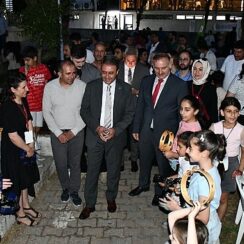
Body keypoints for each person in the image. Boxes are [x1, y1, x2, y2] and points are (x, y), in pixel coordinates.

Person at [128, 53, 188, 206]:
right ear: (152, 67)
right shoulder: (146, 81)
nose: (160, 72)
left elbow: (182, 114)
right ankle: (143, 184)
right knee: (145, 158)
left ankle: (160, 192)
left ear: (170, 66)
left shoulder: (179, 84)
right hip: (146, 129)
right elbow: (140, 106)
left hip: (167, 133)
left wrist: (178, 137)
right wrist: (136, 127)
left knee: (163, 164)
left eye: (164, 68)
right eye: (157, 68)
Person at [79, 56, 134, 219]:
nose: (107, 76)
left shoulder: (126, 89)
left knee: (113, 171)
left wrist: (115, 130)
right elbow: (84, 111)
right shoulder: (91, 86)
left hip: (115, 138)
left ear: (117, 72)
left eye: (111, 73)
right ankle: (89, 204)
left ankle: (111, 198)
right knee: (92, 172)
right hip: (95, 136)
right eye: (104, 73)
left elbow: (130, 113)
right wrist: (97, 128)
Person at [161, 130, 224, 243]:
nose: (187, 151)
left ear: (204, 153)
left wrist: (177, 209)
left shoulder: (205, 181)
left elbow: (203, 219)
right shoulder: (205, 169)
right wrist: (184, 191)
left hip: (201, 229)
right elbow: (197, 192)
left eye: (190, 148)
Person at [42, 60, 86, 206]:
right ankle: (65, 188)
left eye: (74, 73)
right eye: (68, 73)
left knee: (75, 163)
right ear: (59, 73)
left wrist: (73, 132)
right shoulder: (50, 87)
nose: (72, 76)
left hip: (77, 132)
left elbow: (86, 112)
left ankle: (74, 190)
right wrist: (57, 132)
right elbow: (46, 112)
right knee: (61, 163)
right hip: (57, 132)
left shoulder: (82, 87)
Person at [1, 73, 40, 226]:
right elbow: (12, 136)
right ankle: (20, 214)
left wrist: (31, 144)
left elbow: (29, 121)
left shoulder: (22, 101)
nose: (27, 89)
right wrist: (27, 149)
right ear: (13, 90)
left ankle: (26, 205)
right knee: (17, 180)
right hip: (12, 150)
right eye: (24, 87)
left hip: (24, 147)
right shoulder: (7, 107)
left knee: (25, 178)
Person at [209, 97, 244, 221]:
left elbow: (243, 151)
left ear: (239, 113)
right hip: (214, 161)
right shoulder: (215, 127)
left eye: (235, 111)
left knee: (223, 197)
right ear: (222, 112)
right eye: (229, 111)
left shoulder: (241, 130)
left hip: (231, 163)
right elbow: (207, 147)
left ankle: (217, 223)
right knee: (210, 194)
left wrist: (240, 169)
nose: (232, 114)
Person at [118, 47, 149, 172]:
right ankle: (119, 161)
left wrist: (137, 92)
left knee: (135, 135)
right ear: (124, 58)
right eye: (128, 61)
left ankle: (134, 159)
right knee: (119, 135)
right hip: (120, 107)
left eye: (133, 61)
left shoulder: (144, 70)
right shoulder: (117, 68)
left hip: (136, 107)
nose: (130, 64)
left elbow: (148, 90)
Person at [19, 46, 52, 160]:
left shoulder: (44, 68)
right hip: (29, 105)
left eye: (28, 59)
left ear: (35, 58)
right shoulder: (23, 70)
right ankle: (31, 149)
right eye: (24, 60)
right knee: (29, 128)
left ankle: (34, 144)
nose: (26, 62)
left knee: (38, 127)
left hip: (41, 104)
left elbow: (47, 83)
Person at [164, 95, 202, 161]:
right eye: (181, 109)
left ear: (196, 111)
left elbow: (190, 155)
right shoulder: (183, 121)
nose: (182, 112)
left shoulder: (194, 131)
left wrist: (173, 154)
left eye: (187, 110)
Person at [190, 59, 218, 129]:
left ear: (206, 71)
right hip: (188, 122)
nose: (196, 72)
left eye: (200, 69)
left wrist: (214, 128)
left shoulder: (210, 88)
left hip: (204, 124)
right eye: (195, 69)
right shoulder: (187, 84)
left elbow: (213, 110)